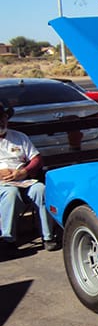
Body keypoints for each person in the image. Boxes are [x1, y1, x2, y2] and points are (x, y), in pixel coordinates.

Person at [0, 101, 58, 254]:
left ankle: (48, 237)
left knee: (40, 189)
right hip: (3, 184)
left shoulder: (19, 137)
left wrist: (24, 171)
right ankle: (8, 239)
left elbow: (37, 159)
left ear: (6, 118)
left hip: (23, 179)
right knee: (10, 193)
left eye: (2, 117)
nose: (0, 122)